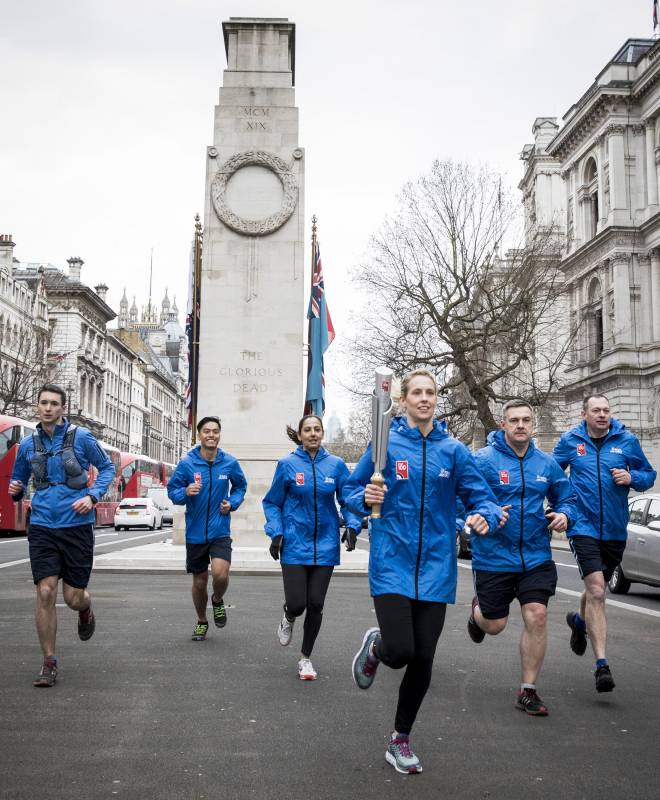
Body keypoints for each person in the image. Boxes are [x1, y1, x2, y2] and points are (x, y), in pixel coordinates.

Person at [345, 369, 504, 775]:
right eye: (416, 392)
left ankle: (400, 738)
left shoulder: (454, 451)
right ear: (402, 399)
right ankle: (377, 649)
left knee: (424, 657)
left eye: (430, 392)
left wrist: (485, 516)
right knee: (401, 651)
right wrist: (364, 496)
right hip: (392, 562)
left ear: (436, 399)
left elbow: (482, 498)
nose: (424, 398)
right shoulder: (385, 445)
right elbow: (349, 490)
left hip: (436, 567)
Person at [467, 399, 577, 716]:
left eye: (526, 420)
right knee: (494, 625)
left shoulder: (546, 463)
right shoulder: (483, 460)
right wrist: (476, 515)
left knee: (537, 615)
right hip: (494, 556)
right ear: (503, 424)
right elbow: (462, 496)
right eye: (514, 420)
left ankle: (528, 691)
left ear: (533, 424)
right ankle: (477, 614)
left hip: (536, 555)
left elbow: (567, 497)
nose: (520, 425)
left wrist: (564, 515)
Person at [9, 384, 116, 687]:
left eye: (54, 403)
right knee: (45, 592)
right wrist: (16, 490)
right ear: (37, 406)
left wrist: (92, 497)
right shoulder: (27, 445)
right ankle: (49, 662)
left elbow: (107, 468)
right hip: (43, 525)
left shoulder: (81, 437)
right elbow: (18, 479)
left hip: (76, 526)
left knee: (72, 597)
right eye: (43, 402)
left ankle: (85, 608)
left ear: (62, 408)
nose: (48, 408)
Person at [553, 394, 656, 692]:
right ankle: (602, 666)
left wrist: (631, 477)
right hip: (581, 526)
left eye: (606, 410)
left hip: (614, 530)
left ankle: (579, 622)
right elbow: (551, 475)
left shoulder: (627, 441)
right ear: (584, 414)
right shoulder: (570, 441)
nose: (602, 414)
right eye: (596, 410)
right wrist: (561, 507)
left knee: (593, 590)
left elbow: (648, 475)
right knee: (598, 589)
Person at [263, 414, 362, 680]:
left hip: (326, 545)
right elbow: (272, 502)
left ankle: (305, 658)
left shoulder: (336, 465)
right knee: (297, 604)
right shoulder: (287, 465)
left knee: (316, 604)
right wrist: (276, 533)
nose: (313, 433)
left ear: (322, 433)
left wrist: (353, 526)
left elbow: (349, 500)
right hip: (295, 544)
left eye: (317, 429)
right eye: (307, 430)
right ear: (300, 435)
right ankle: (288, 615)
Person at [167, 416, 247, 641]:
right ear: (199, 435)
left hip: (220, 530)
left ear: (219, 434)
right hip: (195, 533)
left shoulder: (229, 462)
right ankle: (202, 621)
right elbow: (172, 491)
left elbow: (241, 486)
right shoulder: (187, 464)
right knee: (200, 582)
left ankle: (218, 599)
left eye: (215, 431)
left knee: (220, 574)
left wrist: (232, 502)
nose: (211, 435)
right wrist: (185, 492)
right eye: (206, 431)